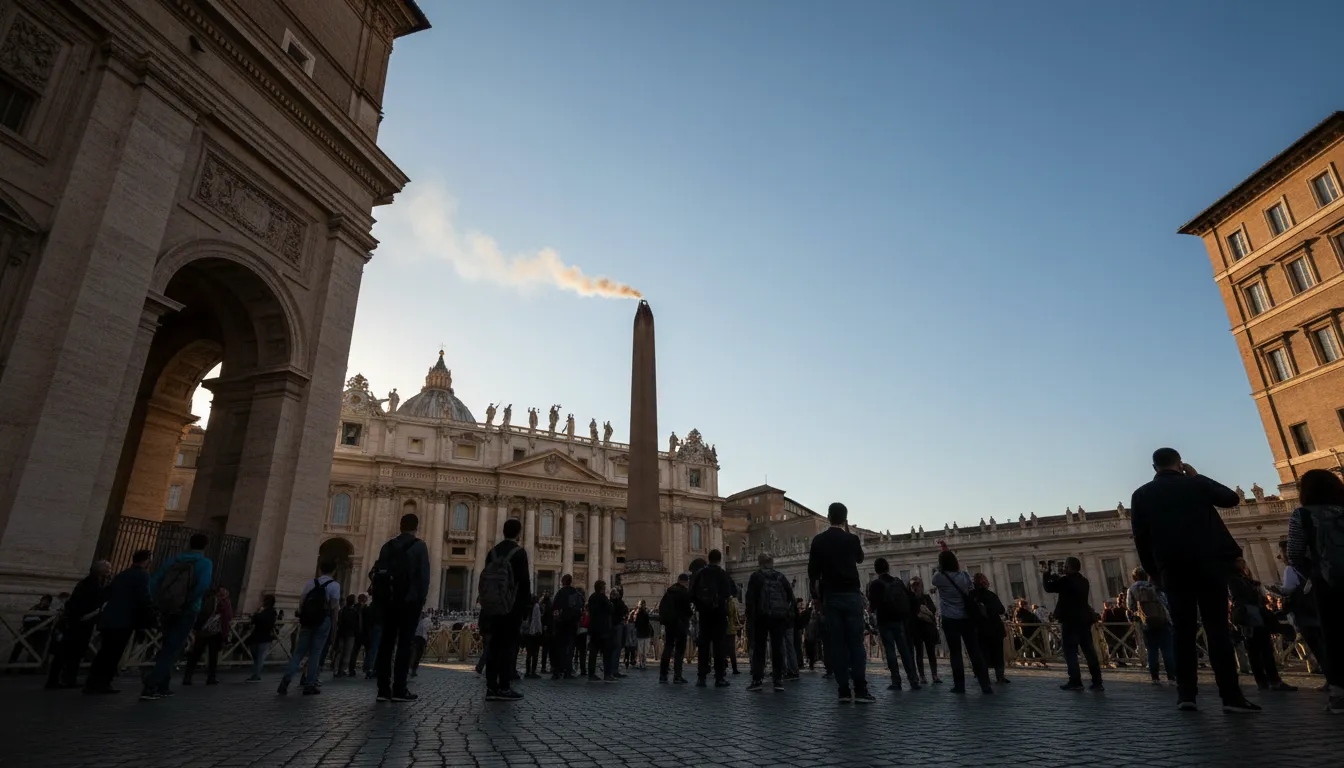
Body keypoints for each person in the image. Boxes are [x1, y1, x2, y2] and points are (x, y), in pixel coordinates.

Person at [1131, 447, 1259, 713]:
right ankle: (1231, 697)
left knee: (1183, 633)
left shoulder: (1141, 494)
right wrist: (1197, 477)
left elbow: (1141, 540)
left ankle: (1186, 695)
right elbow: (1231, 499)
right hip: (1209, 565)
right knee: (1217, 632)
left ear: (1154, 467)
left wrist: (1154, 572)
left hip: (1173, 571)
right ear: (1180, 464)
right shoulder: (1195, 485)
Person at [1286, 468, 1344, 714]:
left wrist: (1314, 569)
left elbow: (1294, 554)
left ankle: (1339, 696)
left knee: (1334, 638)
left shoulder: (1303, 515)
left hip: (1327, 582)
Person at [807, 502, 873, 703]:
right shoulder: (851, 539)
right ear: (845, 518)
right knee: (856, 643)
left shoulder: (819, 540)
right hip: (851, 595)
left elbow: (813, 573)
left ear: (828, 516)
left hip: (831, 597)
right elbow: (860, 559)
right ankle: (860, 689)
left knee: (836, 644)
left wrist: (816, 599)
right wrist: (848, 531)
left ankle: (843, 689)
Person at [142, 535, 213, 701]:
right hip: (188, 610)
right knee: (173, 648)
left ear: (189, 543)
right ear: (205, 546)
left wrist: (157, 602)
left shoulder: (174, 560)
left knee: (168, 644)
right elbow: (203, 585)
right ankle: (150, 685)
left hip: (168, 608)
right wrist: (188, 601)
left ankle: (163, 685)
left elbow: (154, 581)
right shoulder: (204, 563)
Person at [372, 512, 430, 703]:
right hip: (409, 602)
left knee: (386, 644)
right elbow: (424, 578)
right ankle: (399, 689)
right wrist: (420, 601)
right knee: (405, 645)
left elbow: (375, 573)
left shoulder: (387, 546)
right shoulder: (419, 547)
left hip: (387, 602)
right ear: (416, 527)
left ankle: (382, 689)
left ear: (400, 526)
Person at [84, 551, 154, 694]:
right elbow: (144, 597)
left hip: (109, 618)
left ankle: (92, 682)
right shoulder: (142, 575)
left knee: (104, 652)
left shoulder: (122, 574)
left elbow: (107, 593)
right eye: (150, 560)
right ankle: (104, 683)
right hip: (124, 620)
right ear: (146, 560)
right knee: (114, 654)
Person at [481, 517, 530, 701]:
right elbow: (524, 583)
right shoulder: (519, 553)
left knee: (493, 645)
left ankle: (491, 687)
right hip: (512, 608)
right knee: (509, 646)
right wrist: (524, 608)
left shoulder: (492, 552)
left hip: (492, 607)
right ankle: (504, 686)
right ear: (519, 533)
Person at [932, 550, 993, 695]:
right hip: (966, 618)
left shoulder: (939, 577)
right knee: (974, 651)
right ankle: (985, 684)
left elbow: (934, 578)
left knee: (955, 653)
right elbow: (970, 588)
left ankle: (959, 686)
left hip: (949, 618)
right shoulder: (964, 576)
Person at [1229, 557, 1294, 692]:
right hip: (1250, 617)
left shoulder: (1242, 578)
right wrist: (1255, 588)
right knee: (1259, 650)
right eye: (1240, 561)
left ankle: (1266, 680)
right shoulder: (1235, 579)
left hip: (1253, 616)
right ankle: (1269, 680)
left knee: (1260, 649)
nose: (1244, 563)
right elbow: (1244, 596)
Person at [45, 560, 111, 690]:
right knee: (73, 651)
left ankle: (61, 679)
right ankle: (66, 679)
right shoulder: (93, 585)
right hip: (80, 622)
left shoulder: (86, 582)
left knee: (67, 652)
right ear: (103, 572)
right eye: (109, 570)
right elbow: (95, 601)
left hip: (76, 620)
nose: (111, 572)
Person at [279, 558, 340, 696]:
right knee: (315, 654)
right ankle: (310, 684)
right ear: (334, 570)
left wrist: (303, 616)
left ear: (320, 569)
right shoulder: (334, 586)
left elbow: (301, 602)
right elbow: (334, 608)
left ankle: (285, 680)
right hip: (323, 622)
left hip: (307, 621)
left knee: (299, 652)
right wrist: (334, 627)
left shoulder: (310, 583)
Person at [1042, 557, 1102, 691]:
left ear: (1069, 567)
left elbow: (1048, 587)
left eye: (1065, 566)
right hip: (1084, 620)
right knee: (1089, 651)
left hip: (1070, 620)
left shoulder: (1066, 581)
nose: (1063, 568)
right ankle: (1097, 681)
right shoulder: (1084, 581)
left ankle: (1075, 681)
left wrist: (1047, 573)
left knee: (1070, 652)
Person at [1278, 540, 1328, 682]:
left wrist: (1279, 591)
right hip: (1317, 607)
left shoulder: (1291, 569)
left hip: (1303, 611)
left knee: (1316, 645)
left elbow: (1288, 589)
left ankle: (1331, 679)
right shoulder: (1312, 564)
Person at [866, 557, 919, 691]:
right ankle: (913, 680)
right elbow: (908, 598)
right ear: (888, 567)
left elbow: (872, 605)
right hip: (899, 619)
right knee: (905, 650)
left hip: (884, 620)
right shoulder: (898, 582)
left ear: (876, 570)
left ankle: (896, 681)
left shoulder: (876, 584)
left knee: (890, 650)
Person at [745, 553, 795, 692]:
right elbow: (790, 596)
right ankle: (778, 680)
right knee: (778, 647)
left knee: (759, 648)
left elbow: (750, 599)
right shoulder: (780, 577)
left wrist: (750, 618)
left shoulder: (756, 577)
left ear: (760, 563)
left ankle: (757, 679)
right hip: (778, 617)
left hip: (761, 617)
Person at [689, 549, 735, 688]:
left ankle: (701, 677)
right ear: (720, 559)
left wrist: (699, 605)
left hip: (704, 614)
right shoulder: (722, 574)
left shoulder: (700, 573)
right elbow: (730, 592)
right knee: (719, 646)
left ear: (708, 559)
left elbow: (691, 594)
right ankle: (719, 677)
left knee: (703, 646)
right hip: (719, 614)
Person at [1126, 567, 1176, 685]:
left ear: (1134, 577)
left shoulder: (1132, 589)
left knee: (1152, 650)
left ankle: (1155, 677)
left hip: (1146, 623)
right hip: (1162, 621)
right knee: (1167, 650)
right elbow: (1166, 603)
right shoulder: (1154, 586)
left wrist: (1135, 618)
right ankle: (1172, 677)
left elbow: (1130, 606)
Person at [183, 587, 233, 685]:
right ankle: (211, 677)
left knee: (196, 654)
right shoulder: (225, 603)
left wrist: (197, 628)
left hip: (203, 631)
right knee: (213, 656)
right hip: (215, 632)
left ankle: (188, 677)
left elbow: (202, 614)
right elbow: (227, 619)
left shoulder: (210, 600)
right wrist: (225, 635)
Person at [971, 572, 1010, 684]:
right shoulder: (990, 595)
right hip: (994, 628)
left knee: (983, 654)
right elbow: (1001, 609)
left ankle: (983, 676)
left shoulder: (972, 596)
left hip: (980, 630)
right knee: (998, 653)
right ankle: (1000, 676)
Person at [658, 573, 692, 684]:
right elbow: (688, 609)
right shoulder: (684, 593)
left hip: (670, 624)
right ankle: (677, 676)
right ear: (686, 582)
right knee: (679, 650)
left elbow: (661, 607)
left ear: (677, 580)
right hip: (681, 624)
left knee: (668, 647)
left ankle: (663, 675)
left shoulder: (668, 592)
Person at [907, 577, 941, 684]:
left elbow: (933, 609)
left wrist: (925, 610)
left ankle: (934, 675)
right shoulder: (910, 598)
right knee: (919, 654)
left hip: (927, 628)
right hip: (916, 629)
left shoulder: (926, 597)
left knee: (931, 652)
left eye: (918, 584)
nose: (916, 587)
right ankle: (922, 676)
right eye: (913, 585)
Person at [550, 574, 583, 680]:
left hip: (560, 624)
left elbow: (554, 608)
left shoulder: (560, 593)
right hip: (571, 624)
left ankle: (557, 670)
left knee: (559, 648)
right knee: (569, 648)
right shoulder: (575, 593)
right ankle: (567, 671)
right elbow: (579, 608)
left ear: (563, 581)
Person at [244, 594, 278, 683]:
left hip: (261, 636)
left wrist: (256, 614)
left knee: (259, 657)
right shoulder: (271, 612)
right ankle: (256, 674)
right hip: (262, 637)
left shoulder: (267, 612)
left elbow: (257, 620)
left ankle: (256, 675)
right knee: (258, 657)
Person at [585, 580, 613, 681]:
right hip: (603, 629)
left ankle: (591, 674)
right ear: (602, 588)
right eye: (604, 588)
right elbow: (610, 609)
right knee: (606, 653)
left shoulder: (592, 597)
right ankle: (607, 674)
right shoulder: (603, 598)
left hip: (593, 629)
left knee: (593, 653)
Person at [335, 594, 362, 677]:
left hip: (341, 633)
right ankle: (342, 670)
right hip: (351, 634)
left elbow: (339, 622)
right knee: (347, 653)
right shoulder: (355, 612)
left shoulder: (342, 610)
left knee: (339, 652)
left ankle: (337, 670)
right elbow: (358, 624)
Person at [346, 594, 368, 677]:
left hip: (358, 633)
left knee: (354, 652)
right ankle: (353, 669)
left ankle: (352, 668)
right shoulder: (362, 608)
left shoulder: (356, 608)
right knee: (355, 651)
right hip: (359, 633)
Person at [608, 588, 629, 679]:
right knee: (617, 648)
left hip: (611, 626)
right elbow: (624, 610)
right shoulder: (619, 603)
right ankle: (614, 670)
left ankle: (611, 669)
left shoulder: (609, 603)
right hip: (617, 626)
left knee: (612, 648)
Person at [361, 590, 382, 679]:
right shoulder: (378, 607)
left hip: (370, 629)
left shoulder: (369, 607)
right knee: (374, 650)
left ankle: (367, 667)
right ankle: (370, 668)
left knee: (370, 649)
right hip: (376, 628)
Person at [523, 595, 543, 679]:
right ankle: (533, 671)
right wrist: (539, 631)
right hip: (534, 633)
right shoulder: (536, 607)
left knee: (529, 653)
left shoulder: (527, 607)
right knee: (535, 653)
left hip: (527, 633)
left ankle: (527, 671)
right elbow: (537, 620)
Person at [633, 600, 653, 670]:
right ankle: (640, 663)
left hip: (644, 633)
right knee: (641, 650)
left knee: (643, 650)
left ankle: (642, 663)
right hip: (642, 633)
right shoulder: (638, 613)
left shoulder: (643, 613)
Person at [726, 593, 742, 676]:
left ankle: (722, 668)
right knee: (732, 649)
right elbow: (734, 614)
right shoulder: (731, 601)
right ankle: (734, 668)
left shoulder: (722, 598)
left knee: (722, 649)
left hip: (723, 627)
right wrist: (737, 624)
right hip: (730, 628)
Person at [410, 612, 430, 677]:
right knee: (414, 654)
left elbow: (426, 631)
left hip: (421, 639)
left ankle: (414, 669)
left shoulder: (425, 621)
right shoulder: (414, 620)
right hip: (416, 638)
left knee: (418, 655)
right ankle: (412, 669)